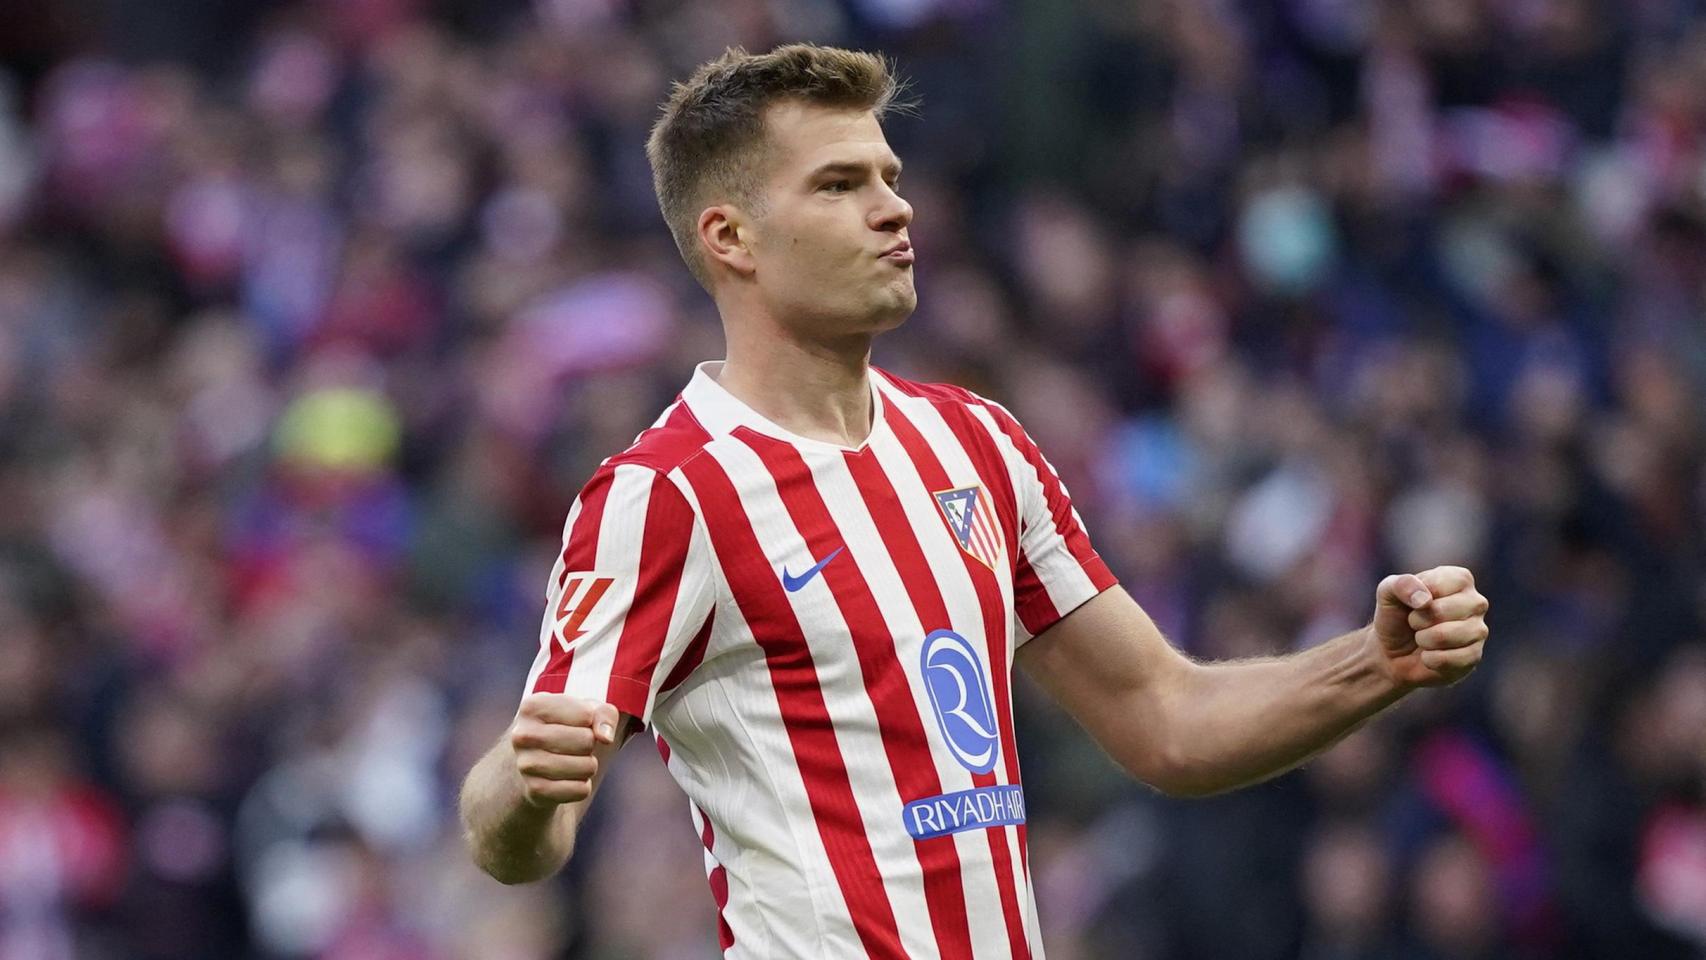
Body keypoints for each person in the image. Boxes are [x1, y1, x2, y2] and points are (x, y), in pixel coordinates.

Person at [456, 43, 1491, 959]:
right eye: (837, 184)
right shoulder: (670, 490)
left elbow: (1163, 720)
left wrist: (1372, 662)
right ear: (732, 239)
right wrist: (519, 784)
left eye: (889, 177)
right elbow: (522, 827)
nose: (893, 207)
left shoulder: (976, 444)